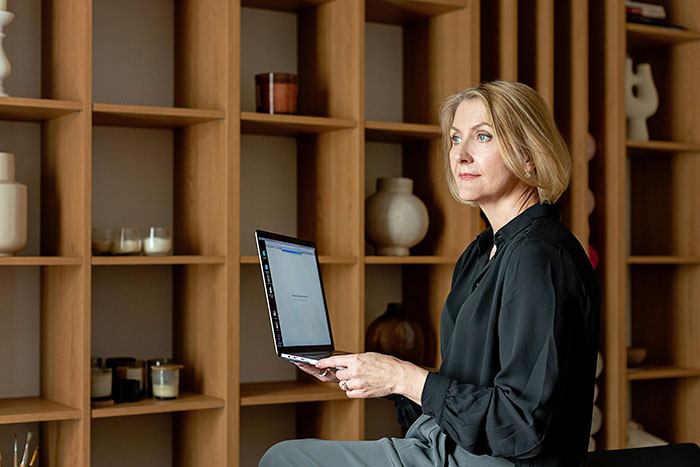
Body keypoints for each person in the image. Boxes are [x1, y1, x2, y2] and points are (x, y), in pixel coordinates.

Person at [259, 81, 600, 467]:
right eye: (455, 138)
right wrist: (368, 373)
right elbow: (465, 394)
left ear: (529, 157)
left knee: (284, 460)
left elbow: (520, 426)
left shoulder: (540, 258)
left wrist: (402, 378)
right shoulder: (480, 253)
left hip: (492, 461)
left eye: (483, 137)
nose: (460, 155)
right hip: (447, 445)